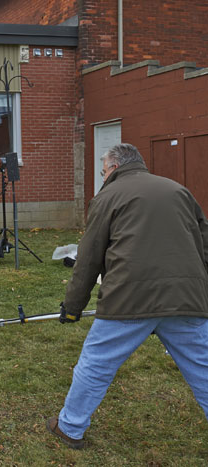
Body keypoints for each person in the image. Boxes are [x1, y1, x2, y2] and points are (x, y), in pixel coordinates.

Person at [47, 143, 208, 449]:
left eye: (103, 170)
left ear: (115, 168)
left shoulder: (107, 197)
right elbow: (205, 244)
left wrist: (72, 307)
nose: (103, 176)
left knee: (95, 364)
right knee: (204, 368)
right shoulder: (178, 191)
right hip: (187, 298)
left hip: (128, 299)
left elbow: (88, 259)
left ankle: (70, 427)